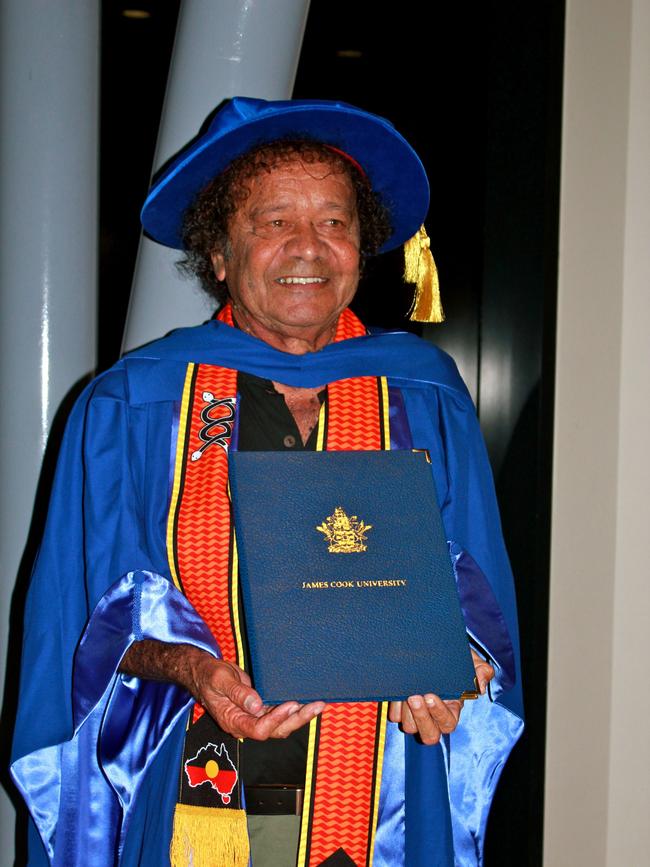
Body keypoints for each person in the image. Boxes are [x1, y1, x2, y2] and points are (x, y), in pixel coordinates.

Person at [10, 97, 523, 867]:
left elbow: (476, 592)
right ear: (219, 252)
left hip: (383, 792)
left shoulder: (423, 395)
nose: (308, 247)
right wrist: (194, 668)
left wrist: (464, 666)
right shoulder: (137, 403)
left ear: (363, 246)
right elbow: (86, 619)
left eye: (335, 221)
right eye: (273, 220)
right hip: (203, 787)